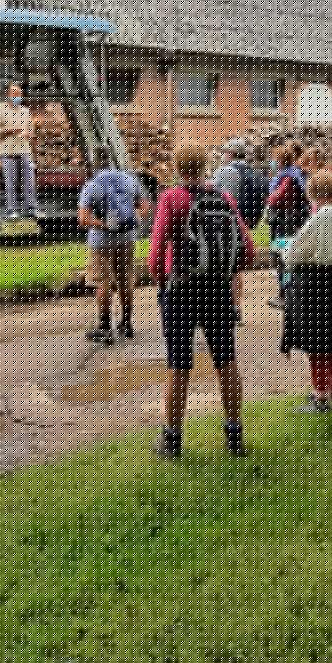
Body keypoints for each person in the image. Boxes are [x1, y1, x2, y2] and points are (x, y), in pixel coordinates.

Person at [147, 142, 257, 459]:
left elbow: (156, 253)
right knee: (226, 360)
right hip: (217, 290)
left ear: (178, 168)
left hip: (180, 290)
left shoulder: (172, 198)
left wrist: (161, 283)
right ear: (205, 166)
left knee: (178, 364)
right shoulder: (223, 199)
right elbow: (248, 251)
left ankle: (172, 440)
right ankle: (234, 436)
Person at [280, 169, 332, 413]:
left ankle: (320, 397)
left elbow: (296, 250)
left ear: (313, 193)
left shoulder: (321, 217)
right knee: (326, 339)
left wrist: (285, 251)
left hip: (312, 282)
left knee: (315, 344)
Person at [79, 147, 151, 345]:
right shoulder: (129, 179)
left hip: (101, 242)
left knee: (102, 282)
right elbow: (145, 206)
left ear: (95, 161)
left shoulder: (92, 185)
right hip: (127, 239)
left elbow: (83, 219)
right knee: (125, 279)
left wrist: (103, 225)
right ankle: (126, 323)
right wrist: (135, 217)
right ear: (111, 159)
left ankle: (104, 327)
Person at [263, 143, 311, 310]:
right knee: (286, 259)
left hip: (286, 223)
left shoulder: (288, 178)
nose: (273, 162)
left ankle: (286, 295)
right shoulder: (294, 175)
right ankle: (290, 293)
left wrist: (268, 199)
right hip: (291, 221)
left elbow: (275, 198)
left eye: (275, 159)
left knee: (283, 260)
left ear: (281, 160)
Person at [0, 84, 39, 221]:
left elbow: (31, 131)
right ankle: (12, 210)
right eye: (14, 94)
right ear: (8, 95)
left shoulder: (26, 111)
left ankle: (32, 208)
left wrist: (29, 134)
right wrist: (10, 130)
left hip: (25, 150)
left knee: (29, 181)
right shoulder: (0, 110)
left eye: (19, 94)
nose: (17, 97)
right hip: (8, 152)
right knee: (10, 182)